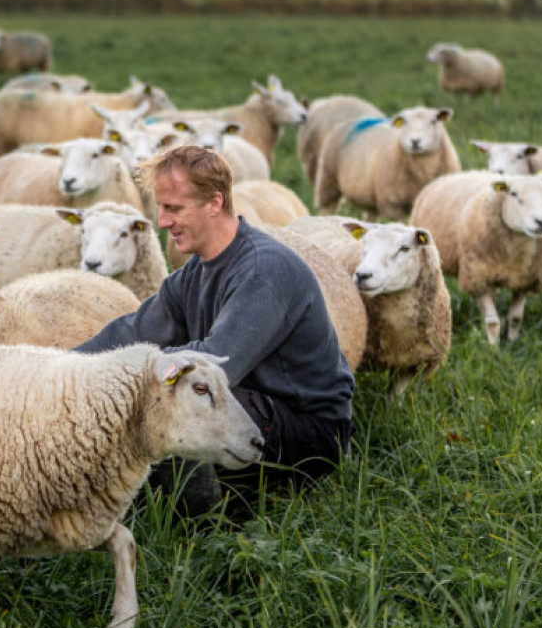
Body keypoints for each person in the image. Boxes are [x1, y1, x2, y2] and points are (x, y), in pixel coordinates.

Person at [75, 145, 356, 513]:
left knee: (182, 394)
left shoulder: (262, 270)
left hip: (307, 428)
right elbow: (132, 331)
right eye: (160, 208)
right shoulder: (193, 273)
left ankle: (205, 521)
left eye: (174, 208)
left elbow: (217, 364)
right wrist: (63, 371)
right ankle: (142, 498)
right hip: (249, 403)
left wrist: (126, 371)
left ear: (213, 202)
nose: (161, 221)